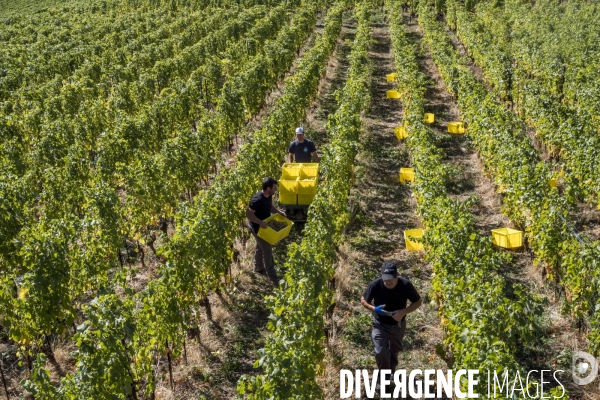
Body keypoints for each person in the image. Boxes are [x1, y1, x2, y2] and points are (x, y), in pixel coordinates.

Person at [361, 261, 422, 373]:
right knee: (380, 352)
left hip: (398, 325)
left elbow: (417, 302)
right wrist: (374, 308)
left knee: (394, 350)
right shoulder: (375, 285)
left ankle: (391, 371)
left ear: (397, 275)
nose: (388, 281)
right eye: (385, 278)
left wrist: (403, 312)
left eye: (391, 278)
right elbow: (363, 300)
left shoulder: (405, 285)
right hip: (379, 324)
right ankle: (383, 376)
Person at [245, 177, 286, 285]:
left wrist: (278, 212)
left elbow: (269, 206)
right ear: (268, 188)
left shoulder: (268, 196)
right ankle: (273, 277)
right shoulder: (257, 200)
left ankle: (258, 267)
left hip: (263, 226)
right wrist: (260, 222)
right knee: (267, 249)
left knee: (260, 246)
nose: (275, 190)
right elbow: (248, 214)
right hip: (257, 228)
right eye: (274, 188)